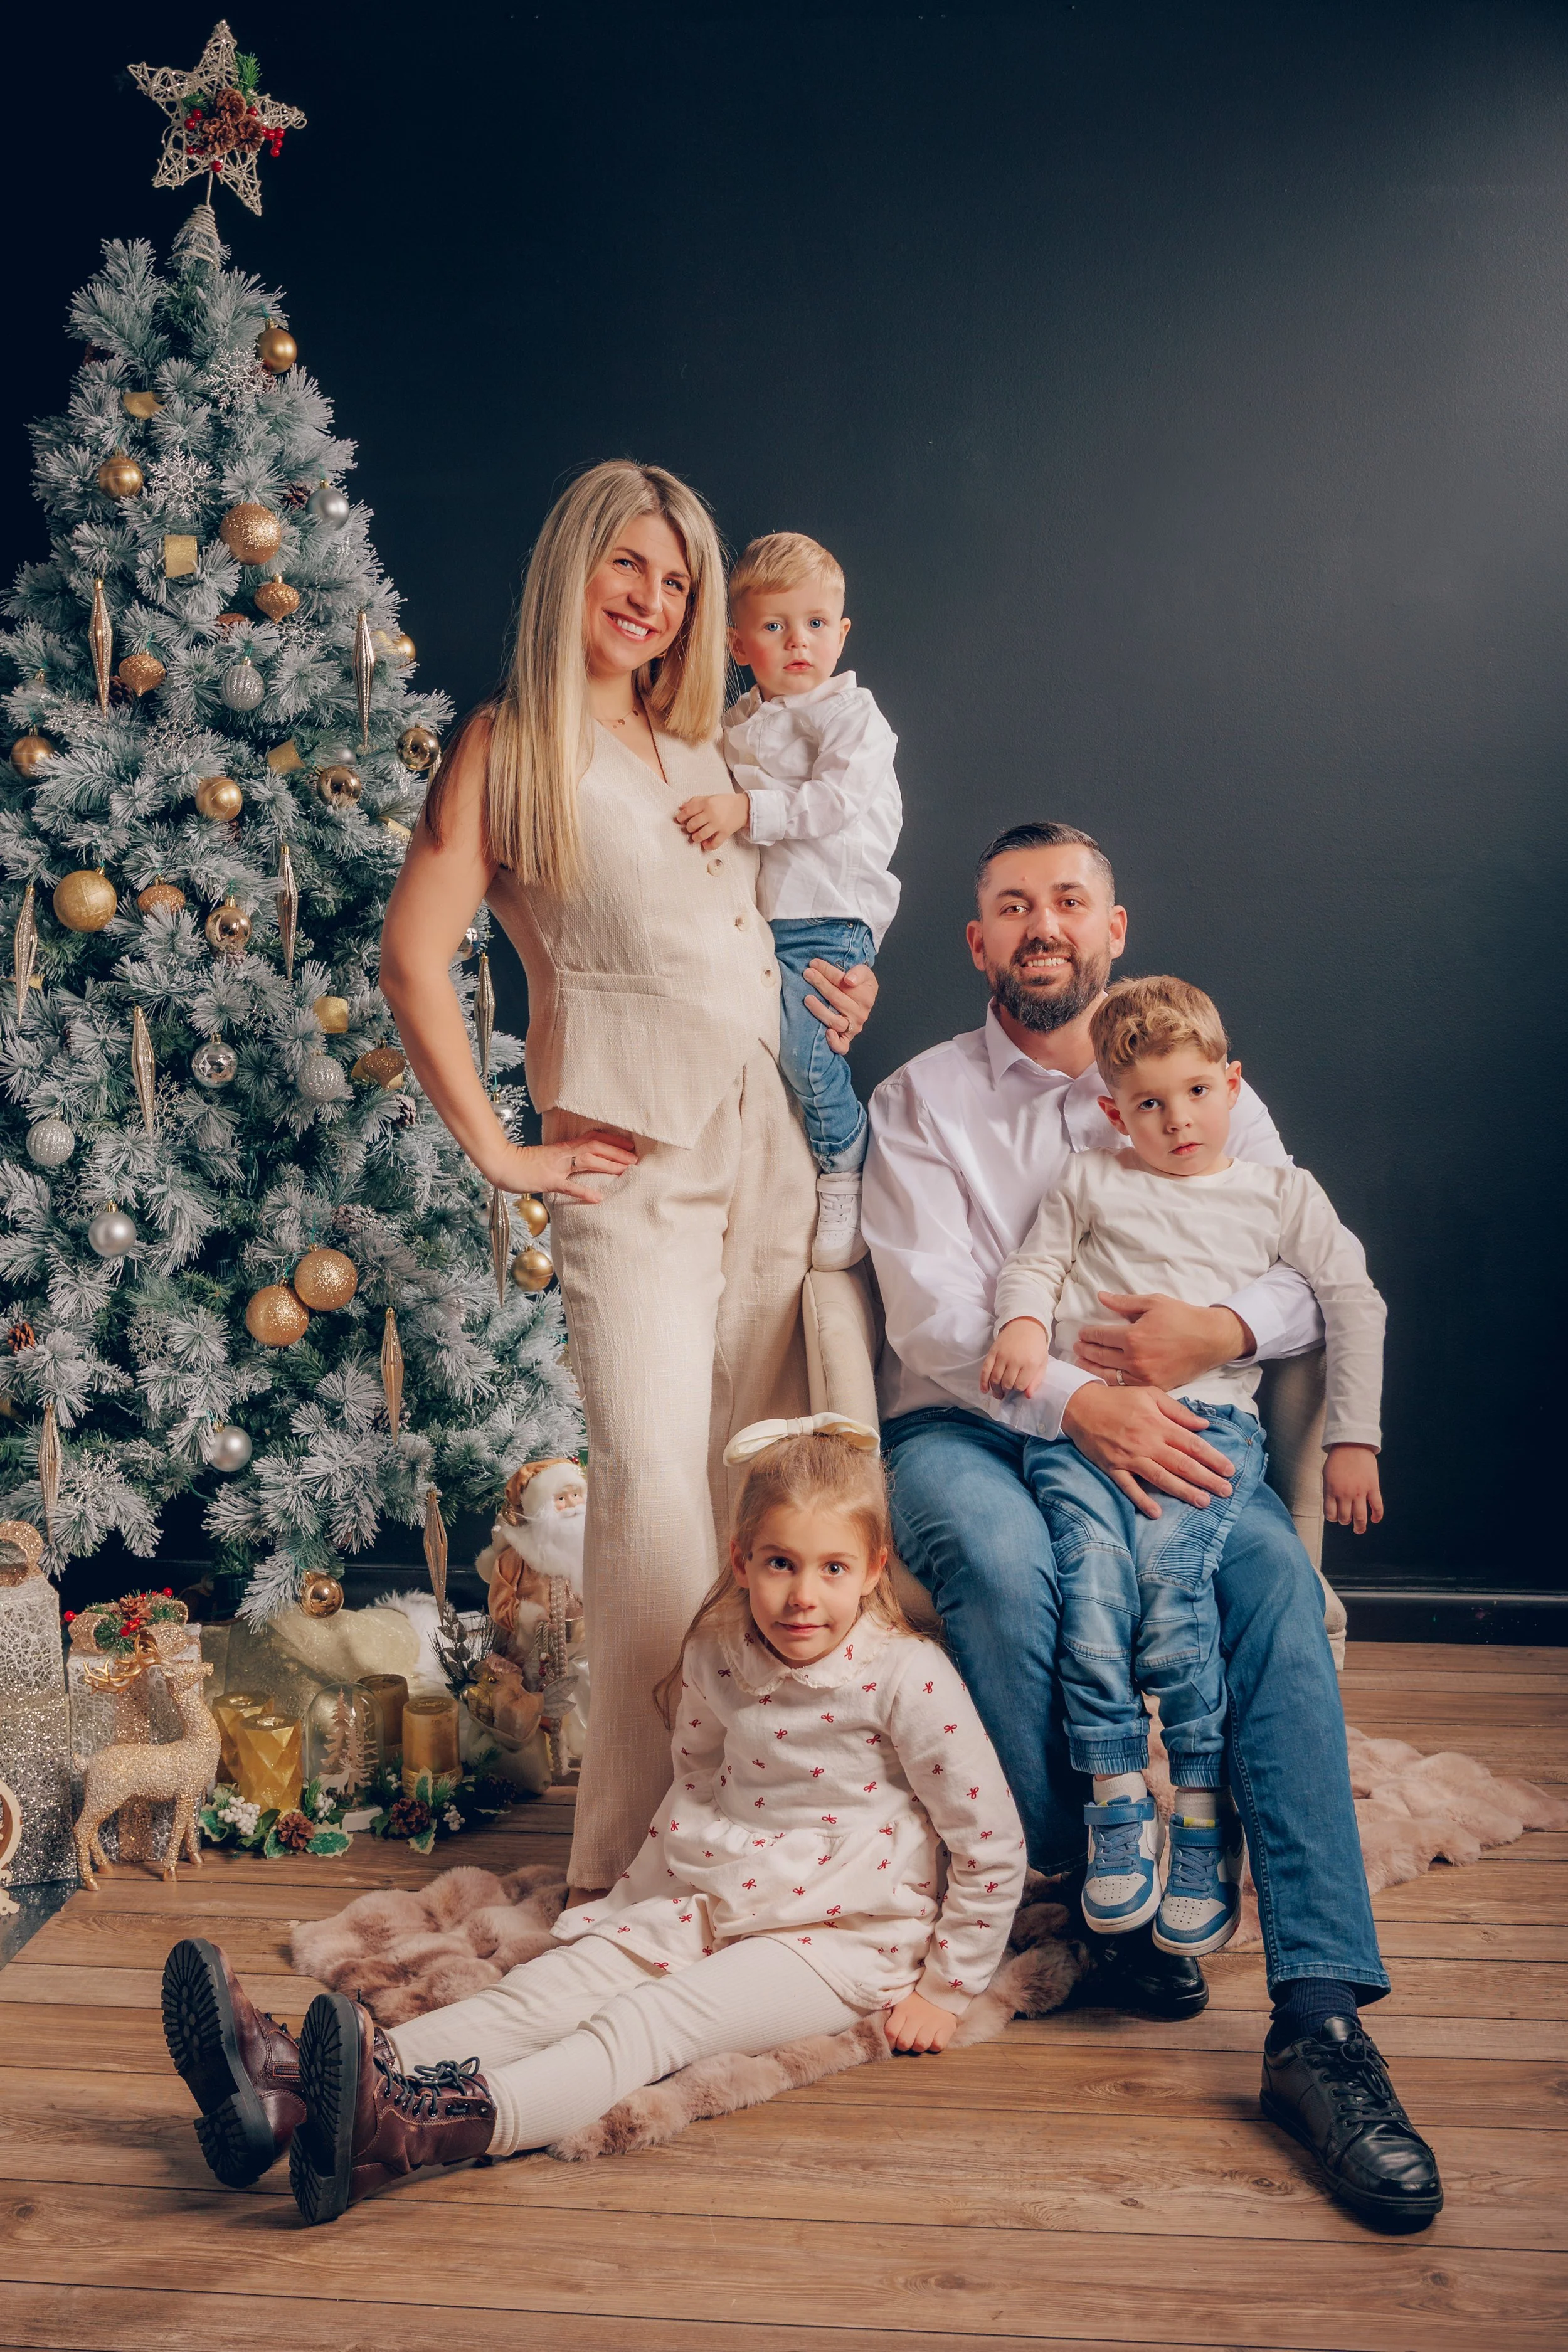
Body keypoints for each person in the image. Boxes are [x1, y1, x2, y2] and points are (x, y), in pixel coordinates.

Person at [861, 822, 1443, 2231]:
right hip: (971, 1426)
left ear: (1112, 930)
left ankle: (1315, 2023)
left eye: (1069, 900)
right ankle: (1093, 1895)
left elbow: (1308, 1271)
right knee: (1005, 1568)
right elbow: (941, 1321)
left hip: (1185, 1421)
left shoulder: (1200, 1086)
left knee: (1266, 1597)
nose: (1041, 924)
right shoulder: (923, 1098)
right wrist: (1079, 1402)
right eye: (1011, 906)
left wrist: (1221, 1327)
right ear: (977, 944)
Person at [378, 464, 877, 1900]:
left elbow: (768, 930)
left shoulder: (707, 750)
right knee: (654, 1482)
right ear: (574, 566)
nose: (652, 601)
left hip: (768, 1137)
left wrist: (835, 993)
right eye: (631, 567)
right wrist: (500, 1144)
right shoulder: (509, 744)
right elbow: (417, 955)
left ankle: (783, 1818)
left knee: (779, 1468)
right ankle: (644, 1863)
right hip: (632, 1153)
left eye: (676, 584)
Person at [160, 1421, 1026, 2221]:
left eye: (833, 1568)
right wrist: (639, 1906)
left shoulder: (907, 1678)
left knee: (649, 2021)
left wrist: (946, 1990)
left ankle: (415, 2130)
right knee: (550, 1989)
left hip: (842, 1935)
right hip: (721, 1894)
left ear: (875, 1567)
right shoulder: (719, 1648)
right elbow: (695, 1782)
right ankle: (290, 2089)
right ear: (741, 1558)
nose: (804, 1596)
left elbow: (989, 1844)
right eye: (780, 1563)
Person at [982, 973, 1387, 1959]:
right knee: (1089, 1591)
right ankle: (1120, 1799)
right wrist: (1025, 1328)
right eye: (1150, 1104)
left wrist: (1353, 1436)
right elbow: (1032, 1264)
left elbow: (1352, 1298)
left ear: (1234, 1086)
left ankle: (1198, 1810)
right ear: (1115, 1109)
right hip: (1078, 1427)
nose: (1178, 1120)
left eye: (1199, 1093)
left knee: (1171, 1592)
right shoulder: (1089, 1177)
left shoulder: (1277, 1192)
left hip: (1209, 1426)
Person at [673, 532, 901, 1271]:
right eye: (774, 627)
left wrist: (746, 812)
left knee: (806, 1051)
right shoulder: (739, 721)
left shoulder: (853, 719)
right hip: (769, 921)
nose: (796, 642)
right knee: (770, 1055)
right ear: (740, 644)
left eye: (813, 624)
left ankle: (846, 1167)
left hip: (829, 915)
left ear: (841, 633)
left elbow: (833, 803)